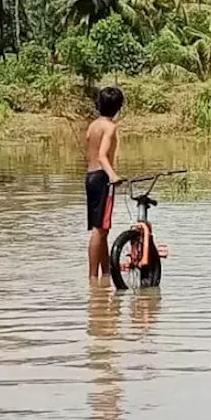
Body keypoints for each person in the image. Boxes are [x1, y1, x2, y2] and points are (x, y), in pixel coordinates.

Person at [85, 86, 124, 280]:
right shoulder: (110, 127)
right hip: (102, 177)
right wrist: (113, 176)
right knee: (99, 230)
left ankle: (106, 273)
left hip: (91, 177)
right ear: (119, 107)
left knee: (103, 229)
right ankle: (93, 278)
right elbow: (102, 156)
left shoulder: (93, 126)